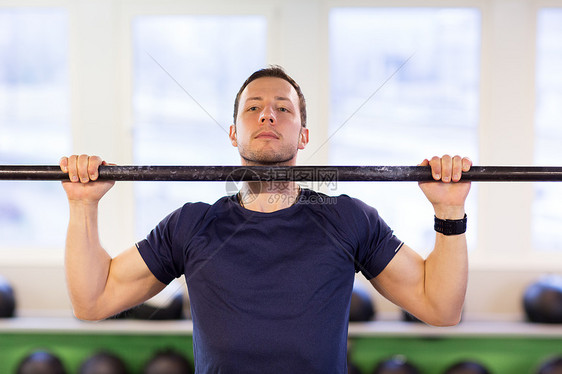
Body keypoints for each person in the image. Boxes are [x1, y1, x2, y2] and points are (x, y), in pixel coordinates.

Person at [60, 66, 472, 373]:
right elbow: (92, 300)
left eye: (283, 109)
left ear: (304, 135)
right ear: (234, 133)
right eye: (253, 108)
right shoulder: (190, 226)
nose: (267, 116)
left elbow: (441, 307)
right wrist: (83, 205)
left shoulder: (348, 219)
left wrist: (449, 211)